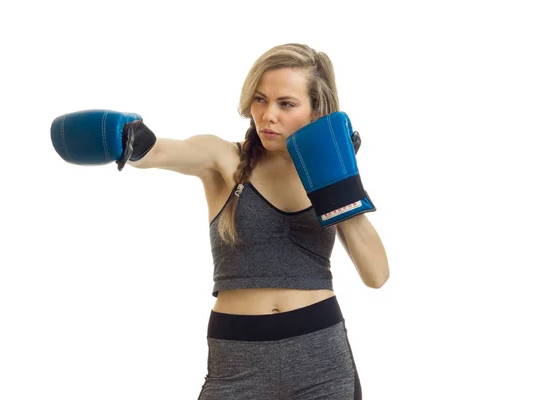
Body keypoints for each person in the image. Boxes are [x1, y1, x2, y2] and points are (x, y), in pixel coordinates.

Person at [52, 43, 389, 399]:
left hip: (321, 358)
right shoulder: (223, 158)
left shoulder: (328, 170)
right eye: (260, 100)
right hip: (237, 361)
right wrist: (127, 139)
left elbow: (377, 276)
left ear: (316, 109)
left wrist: (339, 187)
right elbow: (159, 152)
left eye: (286, 104)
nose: (268, 115)